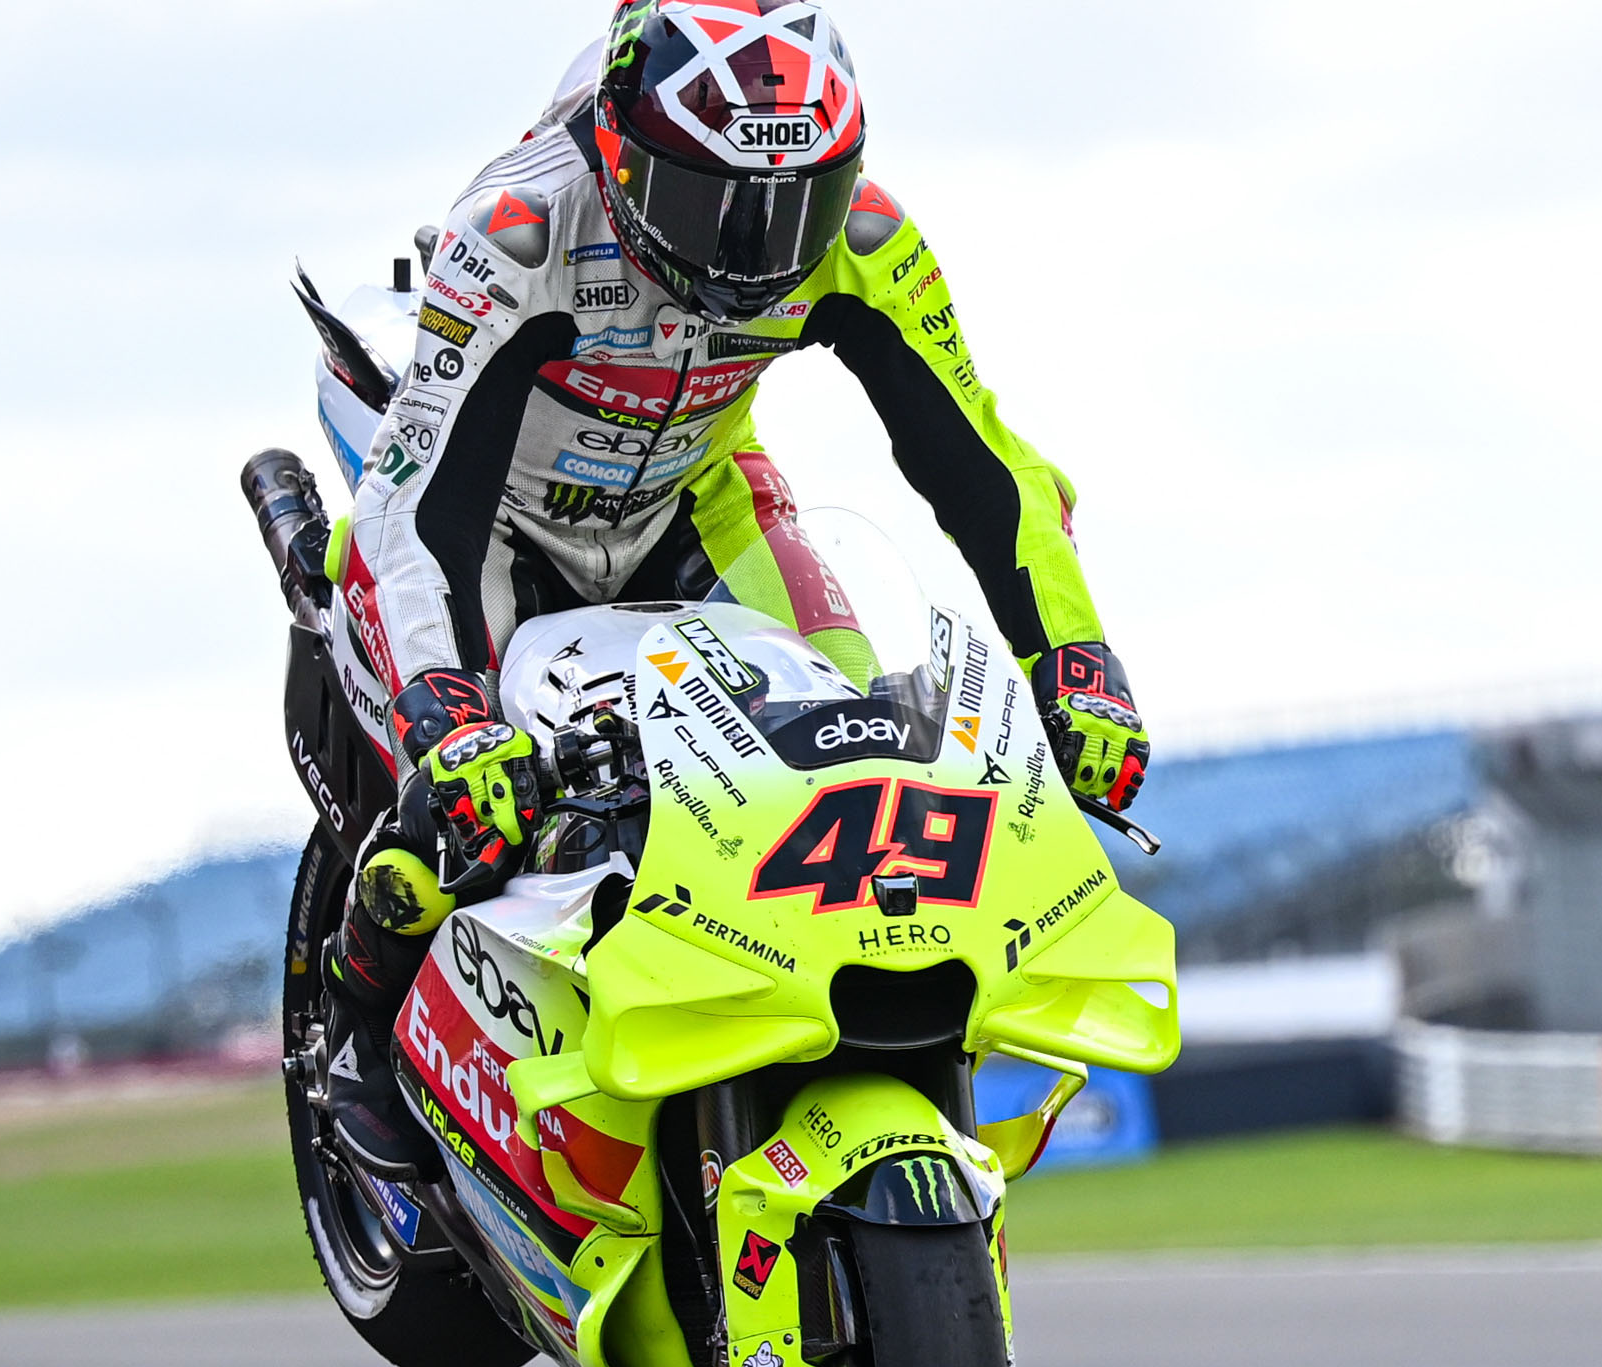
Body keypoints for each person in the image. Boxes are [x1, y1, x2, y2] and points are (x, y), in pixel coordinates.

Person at [246, 0, 1153, 1175]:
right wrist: (443, 705)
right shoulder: (518, 232)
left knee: (861, 746)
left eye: (793, 203)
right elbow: (414, 511)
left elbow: (986, 469)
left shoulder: (863, 235)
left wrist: (1077, 664)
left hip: (696, 493)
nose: (751, 247)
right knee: (470, 801)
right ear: (623, 152)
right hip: (493, 527)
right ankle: (359, 1033)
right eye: (712, 201)